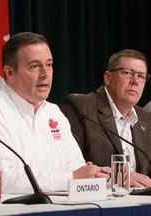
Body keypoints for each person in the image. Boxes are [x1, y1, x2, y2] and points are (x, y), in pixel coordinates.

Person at [0, 32, 110, 193]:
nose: (45, 74)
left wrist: (97, 175)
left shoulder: (54, 113)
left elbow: (76, 166)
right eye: (34, 66)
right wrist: (71, 178)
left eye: (49, 64)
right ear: (9, 73)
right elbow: (1, 180)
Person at [60, 49, 151, 187]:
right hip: (99, 202)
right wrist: (119, 178)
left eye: (141, 76)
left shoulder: (145, 118)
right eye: (127, 73)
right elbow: (73, 167)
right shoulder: (80, 107)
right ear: (108, 78)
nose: (135, 81)